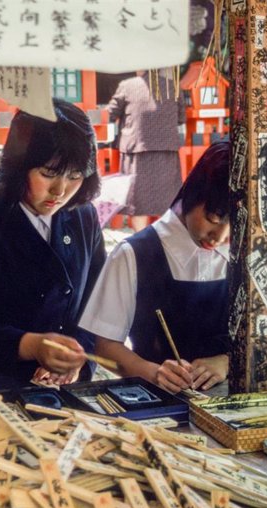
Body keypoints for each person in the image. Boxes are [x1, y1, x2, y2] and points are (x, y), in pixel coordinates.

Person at [0, 99, 107, 393]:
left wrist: (78, 360)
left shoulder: (83, 215)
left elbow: (99, 299)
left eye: (75, 176)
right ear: (19, 164)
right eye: (48, 173)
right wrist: (31, 345)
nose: (61, 191)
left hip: (62, 390)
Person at [79, 141, 230, 393]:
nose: (220, 236)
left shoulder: (244, 255)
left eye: (233, 224)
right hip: (158, 404)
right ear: (192, 194)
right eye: (213, 219)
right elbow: (105, 345)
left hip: (233, 405)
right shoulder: (134, 254)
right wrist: (152, 372)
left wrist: (227, 362)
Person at [108, 69, 185, 231]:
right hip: (166, 149)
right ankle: (164, 238)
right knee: (166, 198)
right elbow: (181, 117)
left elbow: (110, 113)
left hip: (137, 148)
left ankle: (140, 239)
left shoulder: (127, 86)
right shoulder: (173, 86)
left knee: (138, 200)